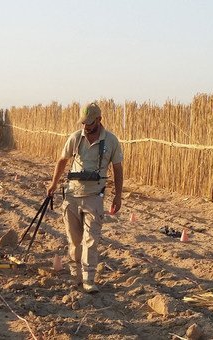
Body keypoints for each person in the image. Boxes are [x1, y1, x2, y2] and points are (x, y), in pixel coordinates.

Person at [47, 102, 123, 293]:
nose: (86, 127)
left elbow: (118, 168)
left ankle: (89, 279)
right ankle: (76, 275)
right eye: (84, 123)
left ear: (99, 120)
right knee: (74, 240)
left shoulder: (112, 141)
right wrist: (53, 184)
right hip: (72, 195)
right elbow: (62, 161)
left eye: (90, 123)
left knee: (91, 240)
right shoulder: (75, 138)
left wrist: (118, 195)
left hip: (94, 198)